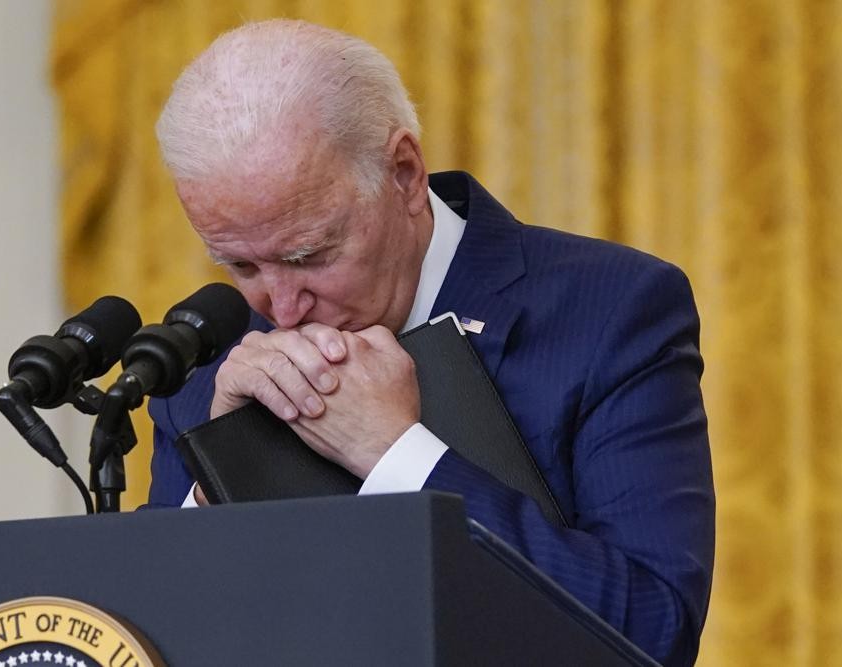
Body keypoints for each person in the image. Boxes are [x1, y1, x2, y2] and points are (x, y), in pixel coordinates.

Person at [147, 19, 714, 666]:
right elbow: (137, 636)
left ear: (405, 174)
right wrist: (225, 475)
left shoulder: (612, 311)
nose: (281, 307)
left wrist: (398, 454)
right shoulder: (205, 362)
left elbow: (651, 634)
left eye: (310, 255)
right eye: (240, 267)